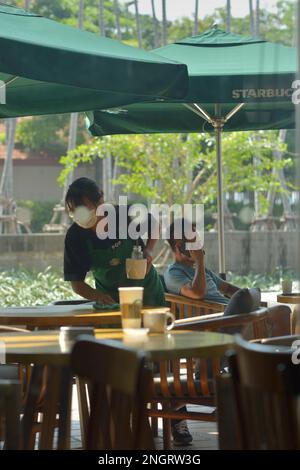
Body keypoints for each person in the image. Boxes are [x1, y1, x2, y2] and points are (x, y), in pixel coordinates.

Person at [64, 177, 165, 307]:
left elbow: (155, 225)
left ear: (100, 201)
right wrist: (98, 296)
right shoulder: (75, 237)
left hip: (148, 294)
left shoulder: (124, 215)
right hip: (111, 302)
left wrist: (149, 250)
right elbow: (77, 283)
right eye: (75, 213)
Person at [164, 219, 240, 305]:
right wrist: (200, 261)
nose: (200, 247)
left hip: (229, 310)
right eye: (195, 242)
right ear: (180, 247)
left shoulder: (200, 270)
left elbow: (227, 289)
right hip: (216, 316)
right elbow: (197, 293)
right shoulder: (173, 273)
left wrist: (248, 295)